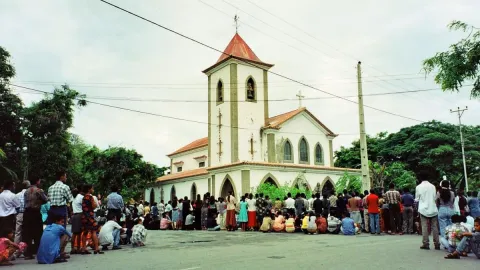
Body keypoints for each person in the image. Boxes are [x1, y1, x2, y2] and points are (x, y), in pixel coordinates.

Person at [22, 178, 48, 260]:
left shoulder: (26, 191)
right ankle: (38, 251)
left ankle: (28, 253)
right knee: (38, 233)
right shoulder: (39, 190)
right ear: (37, 182)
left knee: (27, 233)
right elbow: (45, 200)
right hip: (35, 213)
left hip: (26, 213)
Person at [415, 169, 440, 250]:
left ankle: (426, 243)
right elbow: (435, 198)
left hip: (423, 209)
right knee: (434, 227)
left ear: (420, 178)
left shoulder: (418, 187)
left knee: (424, 226)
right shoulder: (433, 186)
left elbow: (417, 199)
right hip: (433, 209)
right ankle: (437, 244)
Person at [81, 184, 103, 255]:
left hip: (84, 216)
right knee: (94, 231)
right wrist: (95, 205)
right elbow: (94, 206)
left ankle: (84, 248)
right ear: (89, 189)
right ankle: (96, 248)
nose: (93, 190)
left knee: (85, 232)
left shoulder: (84, 197)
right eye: (92, 188)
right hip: (90, 216)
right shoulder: (90, 197)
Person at [14, 180, 29, 244]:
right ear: (28, 186)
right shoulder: (29, 194)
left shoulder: (17, 195)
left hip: (19, 214)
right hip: (28, 214)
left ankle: (15, 249)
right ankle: (24, 249)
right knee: (27, 232)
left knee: (18, 232)